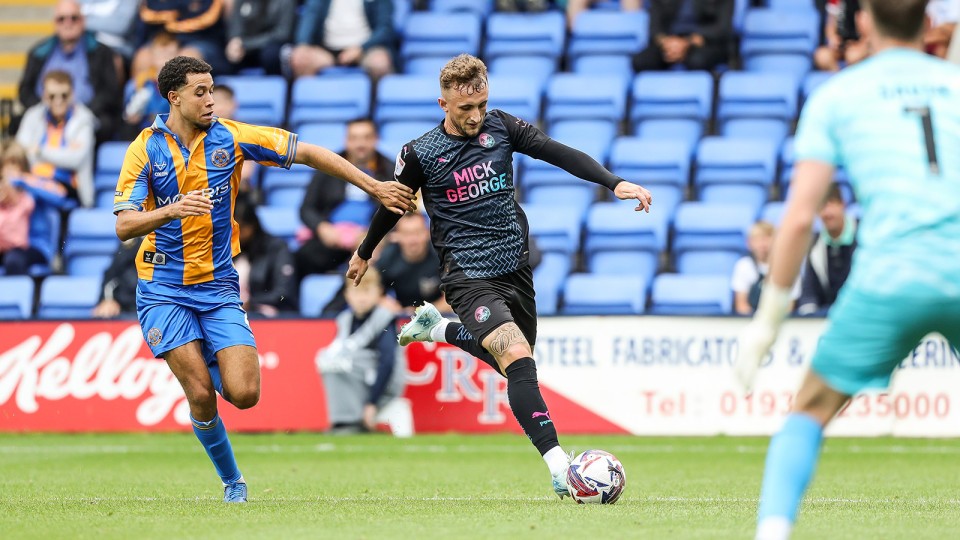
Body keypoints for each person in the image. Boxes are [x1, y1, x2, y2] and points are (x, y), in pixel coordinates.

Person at [346, 54, 652, 499]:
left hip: (516, 268)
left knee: (518, 363)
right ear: (443, 103)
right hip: (467, 275)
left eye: (481, 105)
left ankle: (440, 329)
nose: (474, 116)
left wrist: (613, 182)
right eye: (464, 108)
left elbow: (557, 152)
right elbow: (393, 204)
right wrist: (364, 251)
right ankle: (559, 466)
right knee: (515, 355)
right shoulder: (420, 153)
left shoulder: (502, 128)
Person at [112, 55, 416, 503]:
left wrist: (373, 186)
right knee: (199, 393)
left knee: (245, 393)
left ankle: (203, 353)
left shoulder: (231, 138)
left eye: (212, 89)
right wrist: (173, 208)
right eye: (200, 91)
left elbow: (308, 151)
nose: (210, 99)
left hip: (217, 288)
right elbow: (123, 226)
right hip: (163, 289)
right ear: (173, 96)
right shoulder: (144, 148)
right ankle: (233, 481)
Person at [734, 2, 960, 538]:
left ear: (862, 22)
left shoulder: (838, 95)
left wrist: (768, 321)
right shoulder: (954, 84)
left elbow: (798, 220)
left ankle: (773, 532)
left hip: (889, 276)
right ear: (928, 23)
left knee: (809, 410)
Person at [316, 267, 413, 437]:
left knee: (344, 363)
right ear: (347, 294)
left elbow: (387, 362)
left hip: (383, 388)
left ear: (379, 293)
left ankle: (352, 421)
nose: (361, 297)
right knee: (325, 359)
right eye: (357, 291)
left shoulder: (385, 318)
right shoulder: (344, 320)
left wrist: (371, 403)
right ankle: (342, 420)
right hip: (360, 381)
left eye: (367, 291)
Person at [295, 118, 390, 279]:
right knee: (298, 259)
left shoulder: (390, 169)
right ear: (346, 141)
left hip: (372, 241)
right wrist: (322, 227)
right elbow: (306, 209)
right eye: (354, 138)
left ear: (376, 139)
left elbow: (400, 210)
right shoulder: (327, 165)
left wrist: (371, 236)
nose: (360, 144)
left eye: (366, 137)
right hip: (333, 239)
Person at [17, 0, 121, 143]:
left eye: (74, 18)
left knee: (106, 124)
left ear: (83, 21)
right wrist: (47, 111)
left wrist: (82, 112)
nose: (68, 23)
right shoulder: (38, 53)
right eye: (62, 19)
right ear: (55, 23)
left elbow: (110, 92)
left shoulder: (102, 52)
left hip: (87, 118)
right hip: (44, 117)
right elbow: (25, 91)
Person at [16, 70, 96, 208]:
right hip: (34, 180)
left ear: (72, 94)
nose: (58, 101)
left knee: (20, 186)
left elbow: (75, 159)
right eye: (52, 96)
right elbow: (19, 153)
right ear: (44, 96)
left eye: (64, 95)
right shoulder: (32, 116)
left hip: (69, 188)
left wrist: (39, 151)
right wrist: (63, 154)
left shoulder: (83, 120)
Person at [1, 143, 72, 274]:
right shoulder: (3, 191)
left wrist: (23, 181)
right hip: (5, 245)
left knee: (13, 260)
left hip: (35, 248)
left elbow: (60, 196)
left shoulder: (34, 185)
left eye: (14, 164)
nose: (10, 170)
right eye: (6, 165)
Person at [288, 0, 395, 80]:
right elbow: (309, 18)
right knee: (300, 59)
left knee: (379, 63)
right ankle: (311, 105)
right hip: (328, 49)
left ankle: (375, 106)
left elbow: (385, 29)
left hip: (365, 49)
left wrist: (361, 48)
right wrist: (302, 44)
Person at [796, 184, 856, 316]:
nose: (827, 213)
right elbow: (809, 292)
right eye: (822, 207)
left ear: (843, 205)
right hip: (827, 317)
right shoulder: (814, 245)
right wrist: (809, 316)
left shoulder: (866, 236)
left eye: (831, 204)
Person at [632, 0, 734, 72]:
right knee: (641, 61)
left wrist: (687, 42)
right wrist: (667, 42)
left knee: (698, 61)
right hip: (670, 41)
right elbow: (654, 28)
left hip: (704, 42)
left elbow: (723, 28)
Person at [234, 201, 297, 317]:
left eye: (241, 228)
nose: (235, 234)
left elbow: (283, 294)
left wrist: (251, 302)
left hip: (266, 312)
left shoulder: (276, 248)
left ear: (252, 225)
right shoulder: (227, 249)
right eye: (231, 229)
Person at [377, 211, 449, 313]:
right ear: (396, 236)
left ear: (427, 233)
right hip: (399, 314)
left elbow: (455, 296)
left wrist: (423, 314)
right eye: (406, 234)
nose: (413, 240)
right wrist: (390, 306)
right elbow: (371, 289)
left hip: (438, 314)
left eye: (417, 232)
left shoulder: (441, 255)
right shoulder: (387, 257)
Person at [731, 221, 800, 316]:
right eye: (757, 239)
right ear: (749, 243)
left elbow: (789, 306)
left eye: (766, 238)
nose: (762, 244)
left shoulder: (789, 266)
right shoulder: (744, 265)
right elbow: (741, 305)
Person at [225, 0, 296, 75]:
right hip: (244, 49)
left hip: (270, 46)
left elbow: (282, 34)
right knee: (220, 58)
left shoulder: (286, 2)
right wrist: (234, 42)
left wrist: (245, 44)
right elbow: (235, 29)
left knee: (270, 55)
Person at [0, 160, 37, 276]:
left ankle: (15, 293)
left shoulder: (25, 200)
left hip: (17, 249)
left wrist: (16, 192)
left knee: (13, 261)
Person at [91, 237, 141, 319]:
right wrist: (107, 299)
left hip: (161, 305)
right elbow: (113, 274)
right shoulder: (135, 239)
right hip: (128, 307)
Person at [814, 0, 869, 72]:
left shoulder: (867, 4)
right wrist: (833, 38)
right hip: (841, 46)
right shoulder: (835, 1)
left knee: (852, 56)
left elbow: (871, 33)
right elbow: (830, 25)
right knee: (822, 56)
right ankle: (838, 76)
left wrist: (860, 45)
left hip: (860, 45)